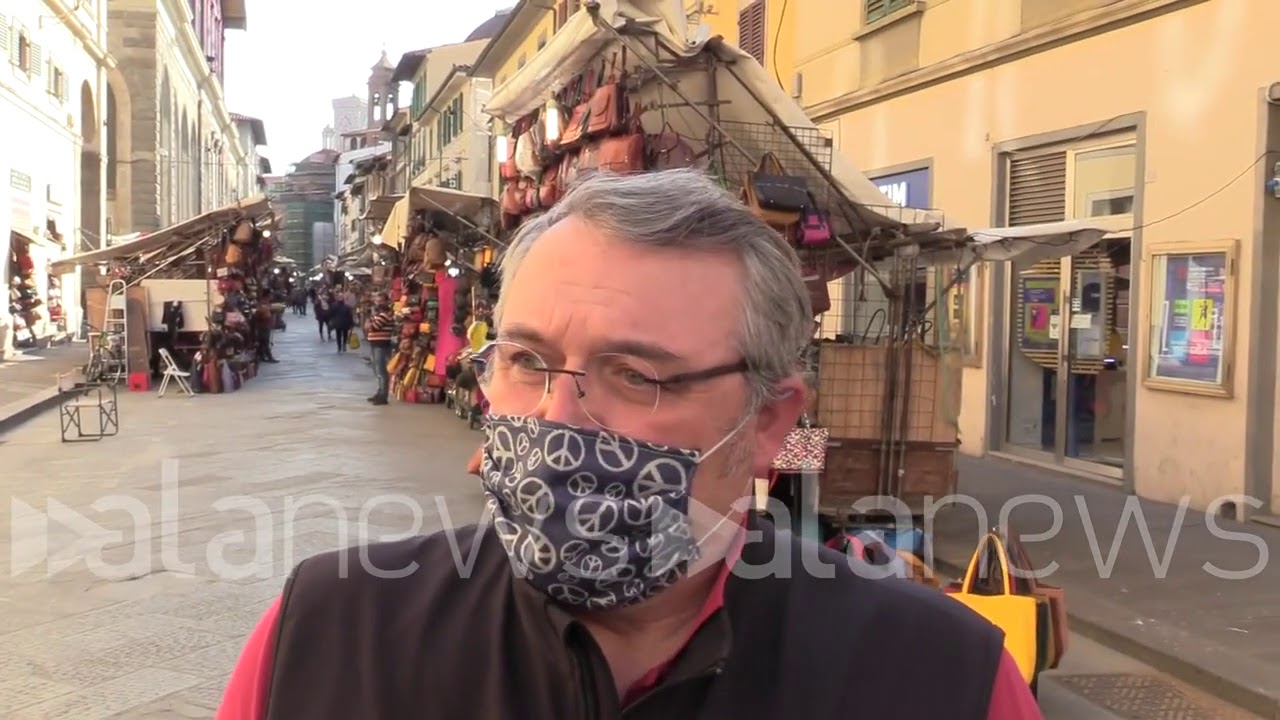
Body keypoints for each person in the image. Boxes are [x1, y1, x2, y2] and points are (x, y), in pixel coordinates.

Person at [215, 170, 1041, 719]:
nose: (558, 419)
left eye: (637, 376)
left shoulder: (941, 680)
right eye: (526, 361)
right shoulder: (326, 638)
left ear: (768, 423)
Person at [364, 292, 395, 405]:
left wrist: (370, 322)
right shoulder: (379, 315)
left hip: (381, 345)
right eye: (377, 301)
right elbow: (367, 327)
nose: (378, 303)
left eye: (381, 301)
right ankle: (380, 392)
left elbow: (373, 327)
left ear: (386, 301)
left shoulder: (385, 315)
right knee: (377, 370)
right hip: (375, 344)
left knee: (381, 371)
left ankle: (383, 395)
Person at [252, 289, 278, 363]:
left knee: (262, 342)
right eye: (271, 294)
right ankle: (269, 357)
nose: (272, 296)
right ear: (268, 295)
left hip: (266, 324)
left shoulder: (267, 302)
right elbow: (260, 313)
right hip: (263, 325)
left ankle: (261, 356)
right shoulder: (263, 303)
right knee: (265, 341)